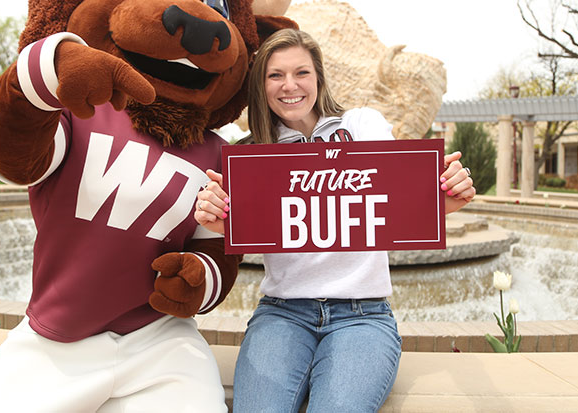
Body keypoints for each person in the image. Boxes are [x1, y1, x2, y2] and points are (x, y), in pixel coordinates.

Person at [194, 28, 476, 412]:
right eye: (275, 75)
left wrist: (446, 197)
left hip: (362, 316)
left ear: (319, 78)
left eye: (301, 73)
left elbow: (402, 203)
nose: (289, 85)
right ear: (261, 85)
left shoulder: (363, 126)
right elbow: (236, 230)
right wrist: (217, 218)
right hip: (282, 313)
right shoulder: (250, 155)